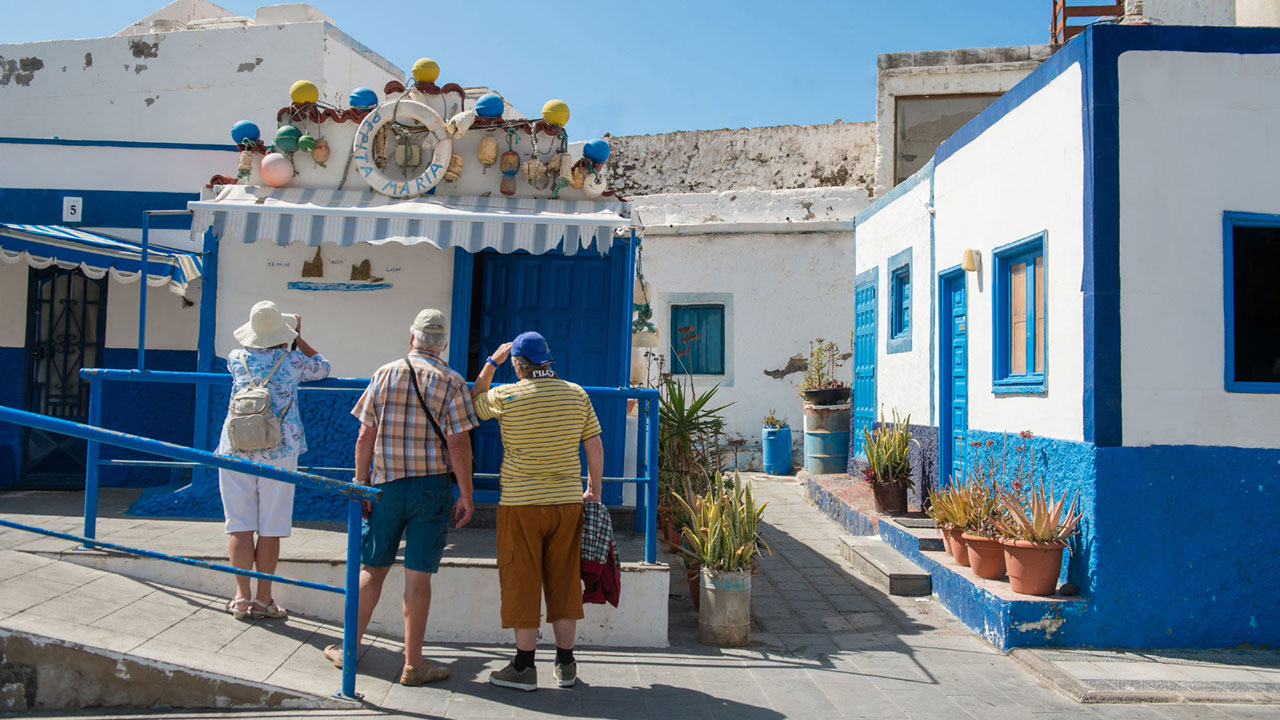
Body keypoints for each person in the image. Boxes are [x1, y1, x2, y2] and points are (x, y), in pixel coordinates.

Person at [323, 308, 478, 686]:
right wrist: (467, 493)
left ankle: (348, 650)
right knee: (418, 576)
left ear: (412, 339)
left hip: (385, 486)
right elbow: (458, 444)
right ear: (442, 345)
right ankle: (413, 664)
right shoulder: (452, 381)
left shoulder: (384, 373)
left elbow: (364, 436)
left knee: (372, 568)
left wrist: (360, 483)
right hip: (431, 487)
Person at [470, 331, 604, 692]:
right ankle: (566, 664)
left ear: (517, 364)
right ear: (547, 361)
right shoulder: (576, 394)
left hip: (521, 504)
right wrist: (594, 488)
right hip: (566, 502)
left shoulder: (507, 395)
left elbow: (474, 400)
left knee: (521, 579)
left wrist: (491, 362)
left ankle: (524, 667)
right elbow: (594, 444)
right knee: (563, 580)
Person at [217, 300, 330, 621]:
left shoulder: (235, 358)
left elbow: (248, 356)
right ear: (284, 332)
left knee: (239, 527)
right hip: (280, 450)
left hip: (236, 447)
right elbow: (323, 366)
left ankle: (240, 598)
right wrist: (297, 338)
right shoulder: (294, 361)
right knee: (270, 528)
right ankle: (264, 600)